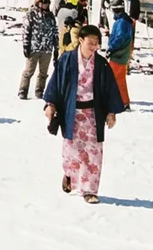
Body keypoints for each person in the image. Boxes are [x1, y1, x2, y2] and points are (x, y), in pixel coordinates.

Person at [43, 24, 126, 204]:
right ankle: (70, 176)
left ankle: (90, 190)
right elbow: (56, 83)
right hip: (71, 112)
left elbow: (110, 89)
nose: (94, 47)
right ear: (81, 40)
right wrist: (51, 105)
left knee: (93, 153)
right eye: (91, 43)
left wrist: (111, 112)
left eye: (97, 43)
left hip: (93, 114)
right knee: (71, 151)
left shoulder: (102, 64)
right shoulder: (67, 59)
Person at [19, 0, 58, 99]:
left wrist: (56, 48)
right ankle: (23, 90)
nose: (44, 5)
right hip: (34, 47)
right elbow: (26, 30)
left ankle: (40, 90)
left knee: (43, 72)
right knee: (29, 71)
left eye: (46, 3)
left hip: (47, 48)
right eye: (42, 3)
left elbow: (55, 32)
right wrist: (26, 45)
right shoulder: (31, 14)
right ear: (38, 2)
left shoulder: (51, 16)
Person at [106, 2, 135, 107]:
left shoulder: (121, 23)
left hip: (118, 55)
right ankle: (124, 101)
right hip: (122, 55)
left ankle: (117, 101)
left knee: (112, 79)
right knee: (119, 79)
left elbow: (120, 38)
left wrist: (111, 48)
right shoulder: (125, 21)